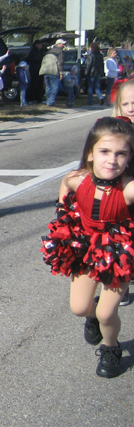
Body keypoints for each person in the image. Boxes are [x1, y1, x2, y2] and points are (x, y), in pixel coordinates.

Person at [45, 117, 134, 378]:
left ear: (130, 158)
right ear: (91, 154)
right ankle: (93, 316)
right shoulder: (78, 179)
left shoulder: (128, 188)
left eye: (121, 154)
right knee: (80, 308)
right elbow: (66, 184)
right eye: (105, 151)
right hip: (83, 249)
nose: (112, 160)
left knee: (107, 314)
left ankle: (110, 348)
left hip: (116, 254)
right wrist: (63, 212)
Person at [111, 79, 134, 307]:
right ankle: (120, 285)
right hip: (121, 198)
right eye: (126, 104)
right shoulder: (117, 129)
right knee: (118, 242)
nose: (131, 109)